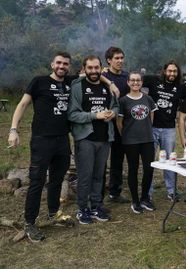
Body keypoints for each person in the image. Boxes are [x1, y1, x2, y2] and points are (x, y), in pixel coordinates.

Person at [8, 52, 75, 242]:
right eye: (59, 63)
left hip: (62, 139)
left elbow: (93, 71)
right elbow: (22, 105)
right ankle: (30, 223)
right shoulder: (39, 81)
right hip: (42, 140)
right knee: (37, 181)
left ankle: (54, 214)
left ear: (69, 67)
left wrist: (109, 82)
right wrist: (13, 130)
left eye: (66, 64)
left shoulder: (70, 82)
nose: (62, 66)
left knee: (57, 179)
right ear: (52, 64)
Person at [68, 55, 118, 225]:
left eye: (97, 68)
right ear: (84, 69)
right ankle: (82, 209)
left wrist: (113, 114)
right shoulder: (77, 87)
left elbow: (116, 106)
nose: (94, 71)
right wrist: (95, 115)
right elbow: (72, 114)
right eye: (90, 68)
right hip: (85, 138)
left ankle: (96, 206)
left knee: (99, 175)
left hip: (104, 138)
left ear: (101, 68)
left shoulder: (106, 86)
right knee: (85, 176)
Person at [143, 60, 186, 202]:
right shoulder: (153, 80)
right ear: (164, 71)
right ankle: (147, 192)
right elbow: (133, 82)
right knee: (149, 160)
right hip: (151, 127)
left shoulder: (181, 87)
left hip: (169, 128)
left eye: (175, 71)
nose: (172, 74)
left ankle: (171, 191)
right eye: (169, 71)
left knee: (170, 160)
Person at [117, 72, 157, 214]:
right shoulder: (123, 101)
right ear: (128, 82)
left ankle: (145, 197)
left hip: (147, 140)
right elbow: (119, 122)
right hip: (130, 141)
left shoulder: (148, 99)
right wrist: (127, 135)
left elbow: (151, 117)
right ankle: (135, 200)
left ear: (141, 82)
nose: (135, 83)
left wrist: (145, 130)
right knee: (133, 170)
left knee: (149, 169)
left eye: (138, 80)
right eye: (132, 80)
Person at [102, 46, 130, 204]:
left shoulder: (126, 76)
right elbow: (87, 73)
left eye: (121, 58)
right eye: (116, 58)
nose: (120, 61)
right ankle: (97, 193)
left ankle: (114, 192)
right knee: (101, 159)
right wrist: (109, 82)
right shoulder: (103, 75)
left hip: (122, 123)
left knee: (118, 158)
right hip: (104, 122)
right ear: (109, 60)